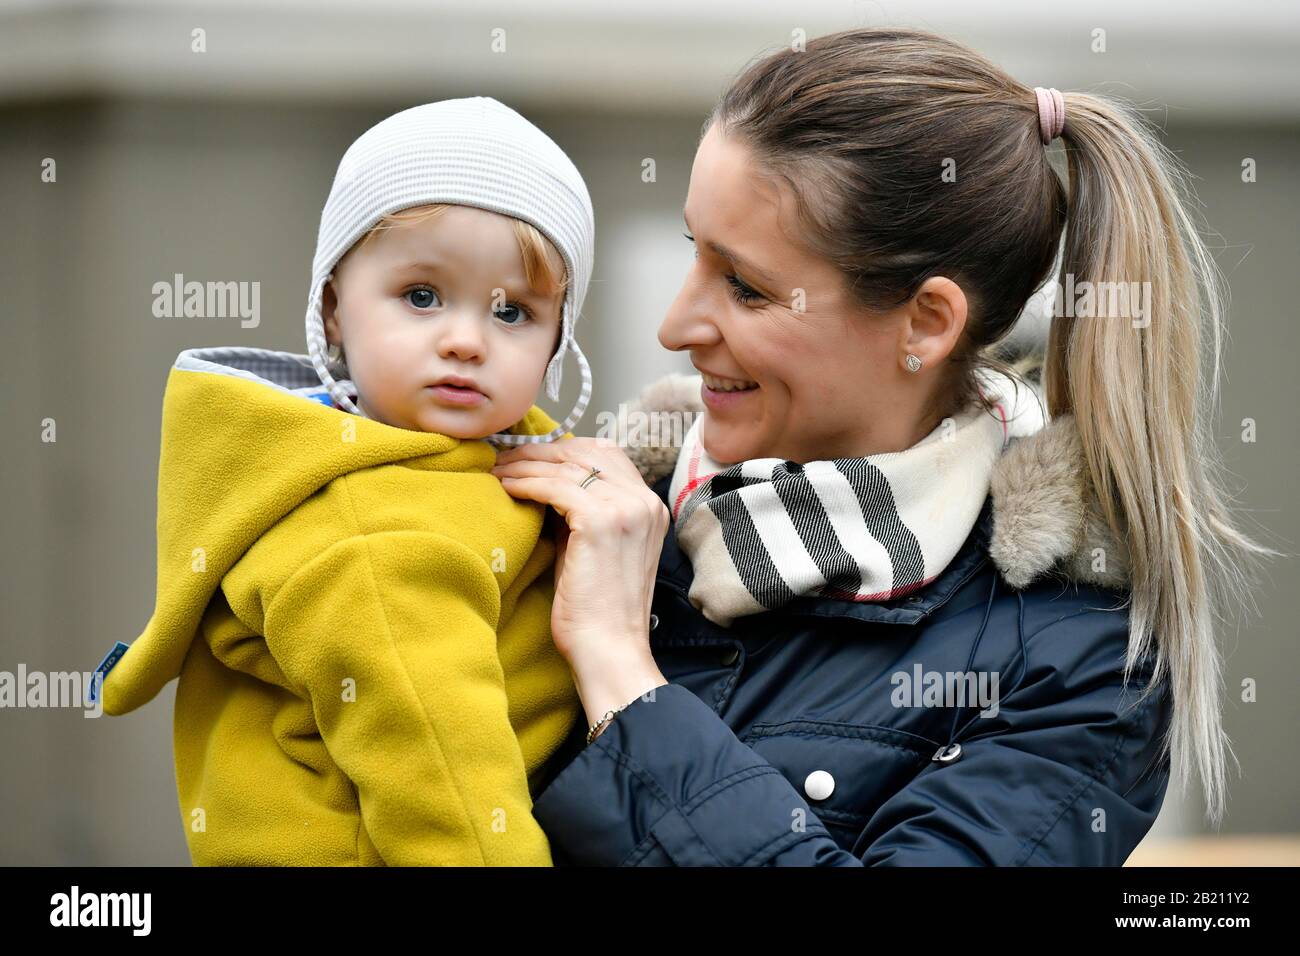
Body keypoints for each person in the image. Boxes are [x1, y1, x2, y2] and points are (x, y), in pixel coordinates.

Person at [490, 28, 1272, 865]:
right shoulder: (589, 524)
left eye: (746, 287)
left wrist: (621, 676)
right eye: (694, 252)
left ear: (925, 324)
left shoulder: (1072, 663)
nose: (674, 327)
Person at [92, 97, 596, 865]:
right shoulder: (374, 528)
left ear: (559, 337)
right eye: (421, 297)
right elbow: (441, 777)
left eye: (513, 312)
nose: (464, 340)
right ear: (332, 309)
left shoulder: (463, 455)